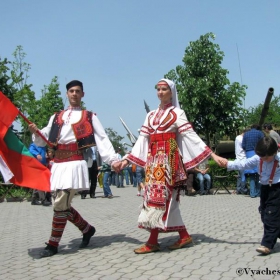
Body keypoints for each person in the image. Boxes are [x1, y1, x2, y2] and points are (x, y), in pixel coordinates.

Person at [120, 78, 225, 254]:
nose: (160, 92)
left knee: (159, 199)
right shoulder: (150, 115)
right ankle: (183, 236)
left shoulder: (178, 113)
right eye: (158, 89)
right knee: (161, 199)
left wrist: (212, 154)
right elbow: (142, 140)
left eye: (164, 89)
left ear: (171, 93)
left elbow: (190, 136)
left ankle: (153, 241)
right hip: (153, 161)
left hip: (169, 158)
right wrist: (126, 160)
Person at [29, 80, 119, 257]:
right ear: (67, 94)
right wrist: (35, 131)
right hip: (58, 164)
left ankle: (53, 244)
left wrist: (113, 159)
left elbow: (102, 138)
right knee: (61, 204)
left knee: (60, 203)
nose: (74, 94)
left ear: (82, 94)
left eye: (78, 91)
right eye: (71, 91)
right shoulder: (56, 116)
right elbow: (45, 136)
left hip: (75, 162)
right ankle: (86, 229)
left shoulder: (89, 116)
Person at [222, 136, 280, 255]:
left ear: (275, 152)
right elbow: (243, 164)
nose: (264, 159)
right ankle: (274, 233)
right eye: (262, 157)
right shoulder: (258, 158)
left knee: (270, 216)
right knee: (264, 214)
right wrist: (227, 164)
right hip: (264, 189)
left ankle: (267, 245)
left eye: (267, 157)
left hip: (277, 189)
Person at [242, 124, 264, 198]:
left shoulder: (246, 134)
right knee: (258, 174)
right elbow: (264, 143)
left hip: (249, 154)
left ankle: (252, 193)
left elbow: (243, 145)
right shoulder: (260, 133)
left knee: (251, 175)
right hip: (258, 154)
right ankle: (258, 192)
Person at [234, 129, 249, 195]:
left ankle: (238, 189)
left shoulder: (237, 137)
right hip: (242, 158)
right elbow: (245, 147)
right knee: (243, 176)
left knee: (239, 175)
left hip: (238, 158)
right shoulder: (242, 139)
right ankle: (244, 189)